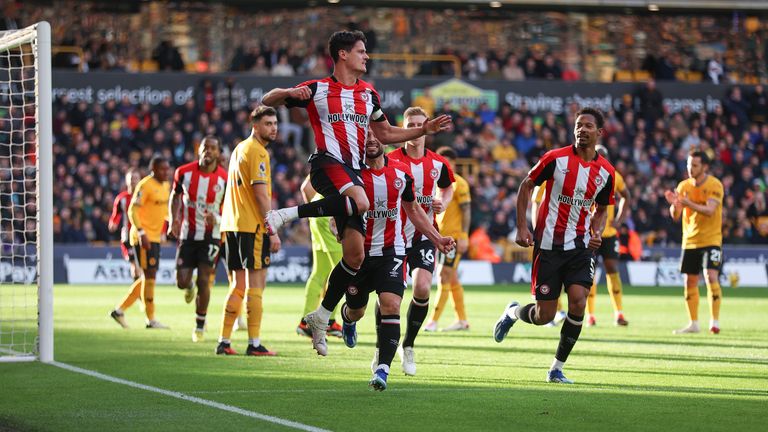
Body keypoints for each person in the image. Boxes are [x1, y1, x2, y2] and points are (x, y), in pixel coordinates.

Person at [261, 30, 451, 356]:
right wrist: (290, 92)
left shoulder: (368, 94)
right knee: (362, 201)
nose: (367, 56)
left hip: (353, 175)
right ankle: (285, 214)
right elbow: (268, 100)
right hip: (328, 164)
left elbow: (386, 132)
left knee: (354, 256)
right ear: (343, 55)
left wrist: (423, 129)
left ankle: (321, 317)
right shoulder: (319, 89)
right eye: (361, 51)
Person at [313, 132, 455, 390]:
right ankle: (347, 318)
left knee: (391, 304)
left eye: (375, 136)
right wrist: (337, 225)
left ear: (384, 141)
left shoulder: (401, 174)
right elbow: (338, 206)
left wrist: (436, 238)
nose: (370, 140)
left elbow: (413, 210)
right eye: (364, 137)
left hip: (392, 252)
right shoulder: (352, 176)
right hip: (360, 256)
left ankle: (383, 369)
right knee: (357, 310)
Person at [493, 108, 616, 384]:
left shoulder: (606, 172)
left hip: (582, 247)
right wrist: (523, 226)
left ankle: (556, 368)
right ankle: (512, 312)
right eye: (578, 125)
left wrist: (598, 231)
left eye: (587, 126)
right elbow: (526, 185)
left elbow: (603, 209)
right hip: (548, 246)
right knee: (543, 315)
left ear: (599, 133)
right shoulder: (555, 159)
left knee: (578, 302)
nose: (581, 129)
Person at [386, 106, 455, 376]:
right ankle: (383, 349)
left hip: (424, 235)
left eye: (419, 123)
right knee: (389, 297)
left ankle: (409, 345)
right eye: (410, 124)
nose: (415, 129)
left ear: (427, 126)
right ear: (404, 129)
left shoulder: (438, 164)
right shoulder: (391, 159)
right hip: (392, 237)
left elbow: (449, 186)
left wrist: (443, 202)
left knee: (423, 287)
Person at [215, 106, 281, 356]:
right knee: (256, 285)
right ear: (255, 126)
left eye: (275, 123)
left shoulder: (239, 149)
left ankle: (224, 341)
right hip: (251, 226)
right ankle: (254, 344)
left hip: (231, 225)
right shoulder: (257, 152)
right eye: (268, 123)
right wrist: (272, 228)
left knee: (237, 286)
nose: (273, 128)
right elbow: (260, 194)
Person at [168, 136, 228, 342]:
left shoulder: (224, 179)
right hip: (187, 234)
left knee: (204, 279)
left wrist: (218, 218)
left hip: (211, 236)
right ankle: (189, 287)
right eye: (205, 148)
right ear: (199, 150)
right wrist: (173, 220)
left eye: (213, 148)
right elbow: (174, 196)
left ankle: (199, 325)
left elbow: (231, 209)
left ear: (218, 154)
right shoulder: (183, 173)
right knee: (181, 282)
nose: (208, 151)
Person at [664, 151, 724, 335]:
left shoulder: (715, 185)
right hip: (690, 240)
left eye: (695, 165)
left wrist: (687, 203)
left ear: (704, 167)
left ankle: (714, 322)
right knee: (689, 281)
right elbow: (675, 216)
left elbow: (710, 210)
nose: (690, 168)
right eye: (689, 164)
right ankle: (693, 323)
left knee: (710, 276)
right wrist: (675, 204)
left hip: (711, 239)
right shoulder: (683, 186)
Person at [109, 156, 171, 329]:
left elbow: (163, 210)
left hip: (155, 236)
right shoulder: (145, 185)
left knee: (148, 277)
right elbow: (132, 211)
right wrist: (142, 232)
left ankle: (120, 310)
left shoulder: (165, 186)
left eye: (168, 169)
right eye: (163, 169)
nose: (167, 172)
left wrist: (171, 222)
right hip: (142, 237)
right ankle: (150, 319)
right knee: (149, 277)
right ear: (154, 169)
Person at [424, 146, 471, 332]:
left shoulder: (459, 183)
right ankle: (462, 320)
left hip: (454, 238)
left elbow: (467, 210)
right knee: (451, 279)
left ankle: (433, 320)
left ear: (452, 163)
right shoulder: (436, 184)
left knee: (444, 275)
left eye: (446, 161)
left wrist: (465, 236)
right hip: (439, 236)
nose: (443, 164)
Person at [586, 145, 631, 327]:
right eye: (598, 157)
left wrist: (619, 220)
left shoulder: (614, 175)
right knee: (589, 274)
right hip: (589, 233)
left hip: (609, 233)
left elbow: (626, 196)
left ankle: (619, 313)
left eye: (603, 158)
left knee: (613, 270)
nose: (600, 161)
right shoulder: (585, 175)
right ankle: (590, 315)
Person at [296, 176, 343, 339]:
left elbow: (305, 187)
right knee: (342, 272)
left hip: (319, 209)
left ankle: (305, 321)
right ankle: (328, 321)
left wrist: (315, 212)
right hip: (331, 212)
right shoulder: (349, 156)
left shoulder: (330, 156)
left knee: (320, 273)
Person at [108, 168, 141, 281]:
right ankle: (138, 291)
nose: (134, 181)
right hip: (127, 236)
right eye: (131, 178)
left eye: (136, 178)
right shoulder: (121, 198)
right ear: (127, 181)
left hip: (143, 234)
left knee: (141, 266)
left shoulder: (144, 197)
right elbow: (115, 215)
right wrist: (113, 223)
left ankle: (139, 291)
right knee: (135, 264)